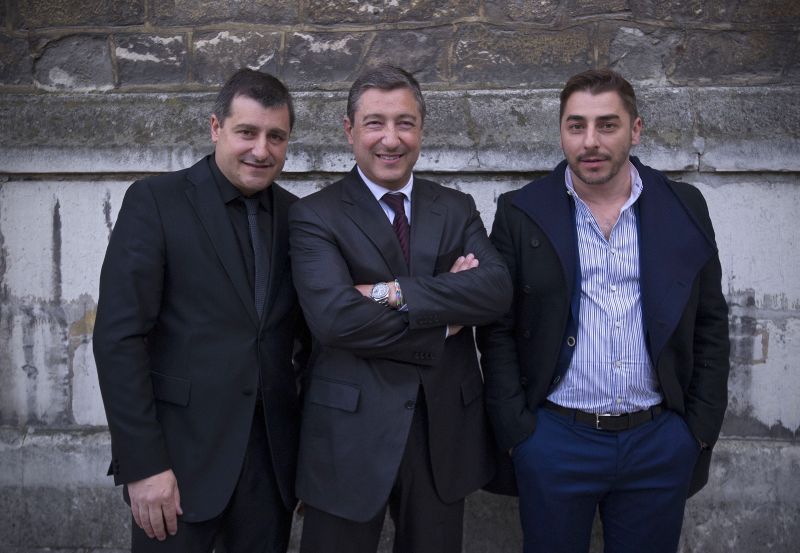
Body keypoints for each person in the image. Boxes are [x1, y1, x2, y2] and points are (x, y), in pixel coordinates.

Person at [477, 68, 730, 553]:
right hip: (555, 441)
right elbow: (498, 329)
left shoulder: (684, 206)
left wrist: (696, 432)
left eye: (607, 125)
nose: (590, 141)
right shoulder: (520, 211)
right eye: (576, 126)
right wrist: (519, 435)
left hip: (658, 442)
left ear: (635, 129)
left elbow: (711, 323)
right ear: (561, 131)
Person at [288, 64, 512, 553]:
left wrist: (387, 292)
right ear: (349, 130)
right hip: (348, 434)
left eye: (405, 123)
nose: (391, 139)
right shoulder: (313, 215)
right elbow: (335, 320)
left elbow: (495, 290)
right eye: (375, 123)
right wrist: (448, 313)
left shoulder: (455, 207)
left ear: (421, 129)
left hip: (441, 434)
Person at [93, 68, 307, 553]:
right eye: (246, 132)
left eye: (276, 136)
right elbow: (117, 339)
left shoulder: (301, 217)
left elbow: (311, 341)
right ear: (216, 128)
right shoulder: (155, 201)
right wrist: (144, 465)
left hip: (269, 467)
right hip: (177, 464)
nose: (262, 150)